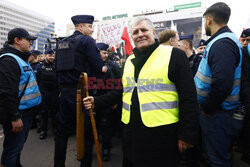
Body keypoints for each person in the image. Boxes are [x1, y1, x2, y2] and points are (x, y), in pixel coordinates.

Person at [84, 16, 199, 167]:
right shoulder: (129, 61)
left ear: (153, 31)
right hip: (131, 134)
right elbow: (120, 91)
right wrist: (96, 101)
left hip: (162, 136)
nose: (140, 34)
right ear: (132, 37)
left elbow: (188, 96)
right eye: (135, 32)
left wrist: (187, 134)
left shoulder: (174, 55)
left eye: (144, 30)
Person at [194, 2, 244, 167]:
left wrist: (208, 108)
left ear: (209, 20)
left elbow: (222, 83)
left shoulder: (222, 43)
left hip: (218, 114)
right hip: (218, 113)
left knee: (218, 161)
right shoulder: (223, 41)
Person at [54, 15, 104, 167]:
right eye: (90, 26)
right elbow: (97, 66)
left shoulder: (61, 43)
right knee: (86, 133)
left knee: (62, 133)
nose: (92, 29)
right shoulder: (87, 40)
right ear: (80, 27)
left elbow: (58, 69)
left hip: (65, 93)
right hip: (81, 93)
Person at [0, 28, 41, 167]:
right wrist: (15, 117)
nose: (31, 43)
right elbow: (6, 92)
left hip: (24, 112)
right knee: (12, 150)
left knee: (16, 149)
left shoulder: (18, 58)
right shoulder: (9, 60)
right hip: (19, 113)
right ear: (17, 40)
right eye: (28, 40)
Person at [36, 48, 58, 139]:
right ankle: (43, 130)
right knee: (43, 112)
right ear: (45, 55)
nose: (52, 57)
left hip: (54, 92)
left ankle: (55, 130)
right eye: (50, 55)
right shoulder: (40, 66)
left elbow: (59, 79)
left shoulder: (56, 65)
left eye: (53, 55)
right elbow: (36, 80)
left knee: (54, 112)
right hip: (44, 93)